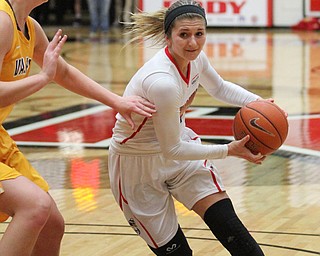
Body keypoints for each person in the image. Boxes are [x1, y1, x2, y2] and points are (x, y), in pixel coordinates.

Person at [108, 0, 269, 255]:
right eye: (184, 35)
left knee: (238, 237)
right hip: (138, 166)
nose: (193, 43)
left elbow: (219, 87)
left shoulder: (196, 59)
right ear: (167, 37)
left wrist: (259, 103)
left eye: (199, 34)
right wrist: (229, 150)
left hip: (181, 152)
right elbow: (171, 149)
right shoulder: (162, 82)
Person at [0, 0, 155, 255]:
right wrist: (42, 78)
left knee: (51, 224)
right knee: (35, 207)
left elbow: (63, 73)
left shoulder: (30, 26)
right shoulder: (2, 22)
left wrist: (117, 102)